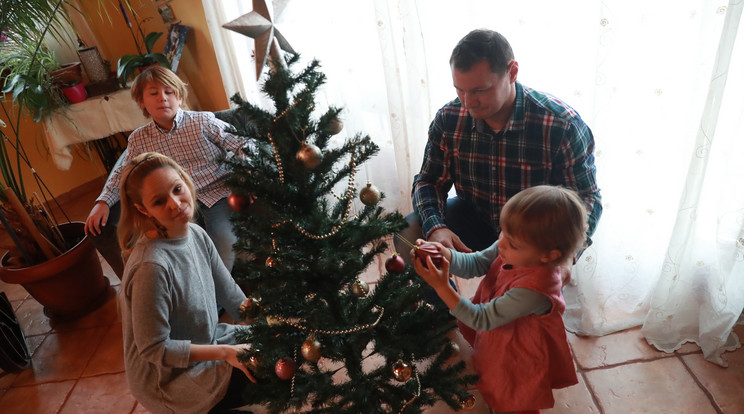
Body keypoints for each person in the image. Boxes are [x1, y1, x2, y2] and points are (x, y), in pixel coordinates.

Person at [395, 28, 601, 265]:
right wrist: (435, 228)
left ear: (512, 72)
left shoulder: (561, 124)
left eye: (479, 90)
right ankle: (445, 302)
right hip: (475, 217)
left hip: (534, 237)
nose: (468, 102)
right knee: (409, 234)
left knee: (526, 300)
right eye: (459, 90)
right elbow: (429, 181)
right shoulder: (449, 118)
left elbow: (586, 198)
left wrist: (566, 257)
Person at [412, 185, 587, 414]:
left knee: (513, 396)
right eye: (503, 232)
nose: (501, 243)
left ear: (549, 256)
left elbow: (481, 319)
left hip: (518, 356)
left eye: (512, 243)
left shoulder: (535, 289)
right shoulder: (513, 243)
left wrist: (441, 287)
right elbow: (476, 262)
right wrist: (445, 254)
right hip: (500, 337)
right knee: (492, 377)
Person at [117, 152, 256, 414]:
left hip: (205, 341)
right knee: (264, 367)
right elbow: (154, 349)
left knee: (281, 347)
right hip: (168, 379)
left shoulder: (196, 233)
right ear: (143, 210)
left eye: (177, 189)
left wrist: (263, 323)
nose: (175, 203)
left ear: (184, 179)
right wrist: (227, 353)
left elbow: (229, 292)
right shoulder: (152, 267)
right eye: (159, 201)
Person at [85, 65, 252, 278]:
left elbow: (243, 144)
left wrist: (247, 176)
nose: (162, 98)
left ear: (180, 98)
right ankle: (183, 291)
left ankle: (214, 298)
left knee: (223, 239)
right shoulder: (139, 139)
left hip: (216, 194)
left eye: (169, 92)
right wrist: (102, 202)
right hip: (175, 202)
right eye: (154, 94)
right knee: (173, 249)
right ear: (142, 103)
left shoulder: (203, 121)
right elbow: (123, 173)